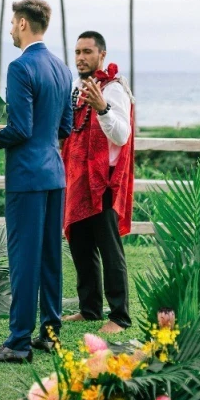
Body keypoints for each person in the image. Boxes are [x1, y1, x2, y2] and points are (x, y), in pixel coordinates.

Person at [0, 0, 73, 363]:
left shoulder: (20, 67)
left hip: (27, 178)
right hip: (54, 174)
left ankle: (17, 343)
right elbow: (65, 127)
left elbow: (19, 128)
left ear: (22, 24)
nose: (11, 30)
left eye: (13, 24)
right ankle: (50, 333)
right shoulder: (63, 70)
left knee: (22, 260)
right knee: (49, 257)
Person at [62, 31, 134, 334]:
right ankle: (89, 309)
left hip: (102, 182)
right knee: (81, 246)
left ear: (101, 55)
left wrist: (103, 107)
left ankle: (119, 316)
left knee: (109, 249)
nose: (81, 58)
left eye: (88, 52)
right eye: (77, 52)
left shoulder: (114, 89)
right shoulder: (78, 89)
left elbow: (122, 135)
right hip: (77, 181)